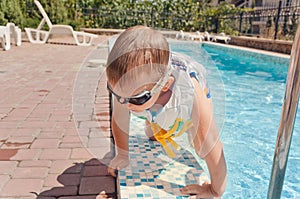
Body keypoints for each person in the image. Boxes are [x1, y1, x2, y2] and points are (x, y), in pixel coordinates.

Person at [105, 25, 227, 198]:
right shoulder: (127, 90)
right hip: (155, 93)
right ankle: (151, 114)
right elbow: (119, 119)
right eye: (115, 93)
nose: (125, 104)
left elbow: (213, 144)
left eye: (136, 98)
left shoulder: (190, 93)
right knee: (152, 133)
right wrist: (123, 154)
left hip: (189, 89)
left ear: (165, 86)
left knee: (200, 143)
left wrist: (215, 190)